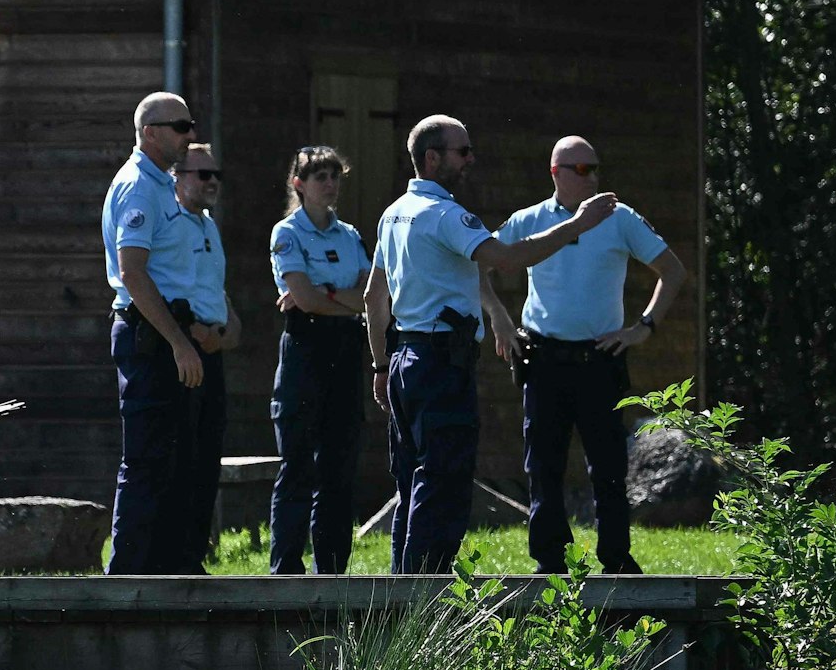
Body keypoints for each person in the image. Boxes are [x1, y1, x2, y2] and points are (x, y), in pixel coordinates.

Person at [364, 114, 619, 573]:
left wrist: (382, 367)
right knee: (442, 482)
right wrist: (578, 225)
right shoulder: (445, 215)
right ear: (432, 158)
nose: (471, 159)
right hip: (441, 362)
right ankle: (426, 598)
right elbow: (508, 258)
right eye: (462, 151)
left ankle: (400, 597)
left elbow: (373, 296)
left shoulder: (393, 213)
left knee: (411, 482)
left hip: (404, 359)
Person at [493, 136, 689, 575]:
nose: (593, 177)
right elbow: (477, 263)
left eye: (596, 168)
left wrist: (644, 327)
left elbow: (673, 271)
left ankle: (616, 558)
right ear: (556, 172)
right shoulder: (530, 220)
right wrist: (500, 320)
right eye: (582, 169)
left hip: (600, 358)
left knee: (609, 466)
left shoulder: (620, 219)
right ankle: (550, 560)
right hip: (543, 358)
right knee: (543, 464)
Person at [102, 91, 203, 575]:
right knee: (145, 459)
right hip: (150, 336)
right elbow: (134, 273)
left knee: (171, 457)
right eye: (180, 126)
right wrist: (178, 342)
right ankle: (126, 580)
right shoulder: (139, 188)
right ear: (150, 132)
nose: (189, 134)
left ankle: (165, 570)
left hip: (162, 331)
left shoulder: (160, 183)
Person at [266, 146, 370, 574]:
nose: (329, 184)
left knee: (338, 467)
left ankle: (332, 570)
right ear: (299, 184)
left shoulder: (349, 236)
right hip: (306, 351)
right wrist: (333, 299)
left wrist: (324, 296)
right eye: (319, 177)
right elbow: (303, 299)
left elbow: (370, 292)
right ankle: (286, 568)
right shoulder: (288, 233)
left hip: (346, 352)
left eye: (334, 176)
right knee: (297, 464)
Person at [171, 142, 241, 573]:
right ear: (178, 179)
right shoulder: (172, 225)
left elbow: (215, 290)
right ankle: (175, 558)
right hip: (184, 350)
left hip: (213, 350)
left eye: (216, 174)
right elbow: (170, 289)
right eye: (203, 174)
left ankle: (193, 557)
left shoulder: (209, 227)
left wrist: (230, 326)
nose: (212, 181)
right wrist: (193, 333)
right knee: (182, 455)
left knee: (207, 456)